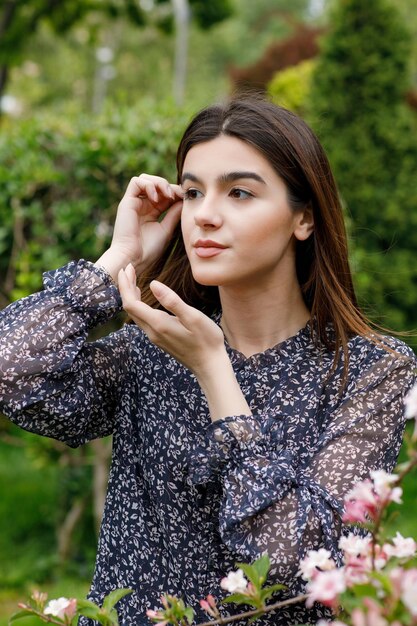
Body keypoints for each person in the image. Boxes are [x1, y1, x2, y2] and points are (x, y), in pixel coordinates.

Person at [0, 97, 416, 626]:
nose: (204, 214)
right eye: (192, 191)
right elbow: (9, 372)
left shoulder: (371, 371)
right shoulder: (148, 351)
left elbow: (297, 563)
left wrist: (215, 373)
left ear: (304, 218)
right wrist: (116, 261)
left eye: (238, 192)